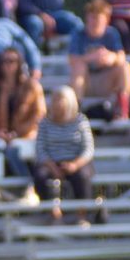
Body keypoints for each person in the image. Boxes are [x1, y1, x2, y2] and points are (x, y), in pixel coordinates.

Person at [34, 86, 97, 226]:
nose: (56, 104)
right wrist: (52, 166)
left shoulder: (80, 121)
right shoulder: (45, 123)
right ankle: (52, 213)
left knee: (82, 176)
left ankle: (82, 215)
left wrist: (74, 164)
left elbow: (88, 149)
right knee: (40, 176)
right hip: (51, 162)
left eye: (60, 100)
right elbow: (40, 149)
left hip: (76, 162)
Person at [0, 48, 46, 183]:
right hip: (1, 135)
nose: (8, 65)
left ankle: (26, 186)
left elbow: (39, 115)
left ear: (19, 63)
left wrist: (17, 133)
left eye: (12, 61)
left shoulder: (32, 86)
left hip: (27, 136)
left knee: (14, 149)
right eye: (4, 61)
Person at [67, 0, 130, 120]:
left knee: (125, 66)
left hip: (106, 80)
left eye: (98, 18)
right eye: (91, 18)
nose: (94, 22)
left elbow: (121, 56)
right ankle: (77, 111)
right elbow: (72, 60)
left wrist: (111, 58)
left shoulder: (111, 33)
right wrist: (91, 57)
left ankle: (122, 109)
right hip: (86, 82)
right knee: (78, 67)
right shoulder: (79, 33)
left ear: (106, 20)